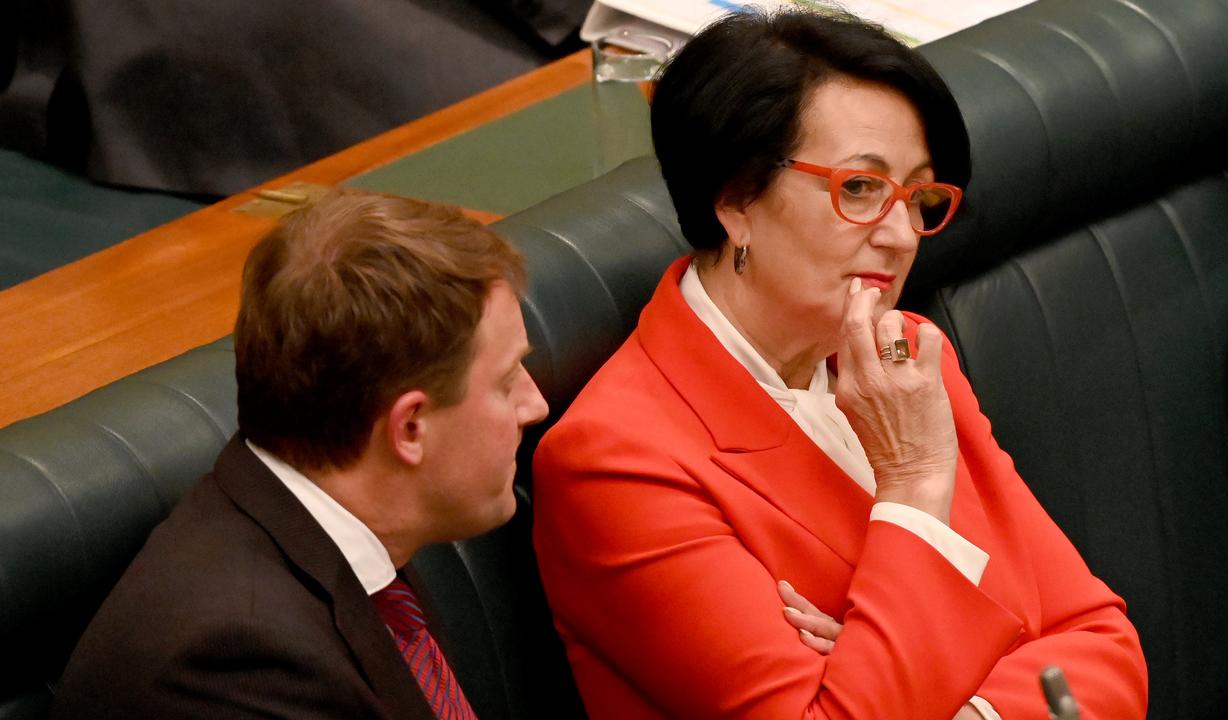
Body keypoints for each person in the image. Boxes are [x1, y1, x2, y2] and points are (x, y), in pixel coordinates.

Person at [532, 10, 1147, 720]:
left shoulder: (906, 356)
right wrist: (914, 486)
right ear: (735, 199)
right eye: (859, 189)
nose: (900, 235)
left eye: (918, 197)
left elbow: (1103, 645)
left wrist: (940, 697)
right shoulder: (616, 465)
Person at [51, 189, 549, 718]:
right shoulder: (236, 666)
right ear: (409, 428)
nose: (534, 403)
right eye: (506, 381)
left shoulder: (340, 537)